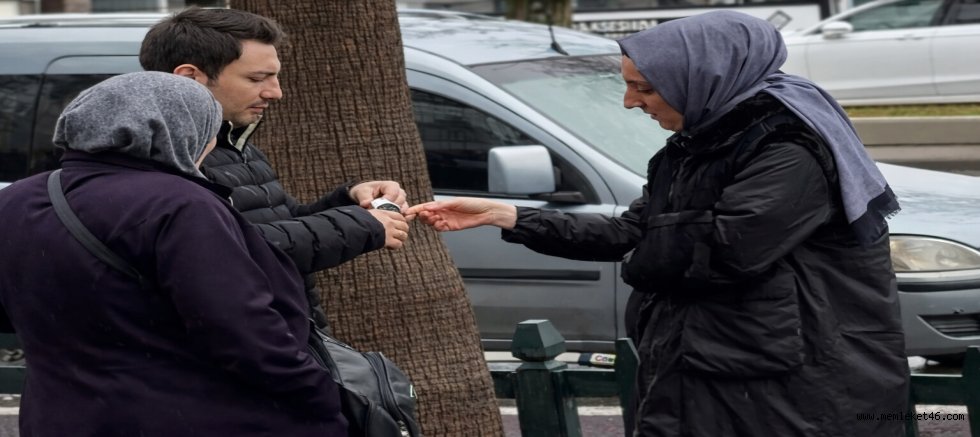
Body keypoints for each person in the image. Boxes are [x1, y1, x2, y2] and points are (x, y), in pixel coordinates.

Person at [409, 11, 907, 437]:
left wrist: (645, 257)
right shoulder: (693, 145)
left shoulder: (790, 148)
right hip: (708, 367)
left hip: (781, 387)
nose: (630, 102)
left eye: (644, 88)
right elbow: (633, 232)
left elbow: (725, 248)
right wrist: (508, 215)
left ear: (705, 79)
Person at [0, 72, 347, 435]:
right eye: (211, 128)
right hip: (188, 417)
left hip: (60, 416)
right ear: (181, 131)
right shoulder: (181, 205)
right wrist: (321, 395)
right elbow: (243, 330)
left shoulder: (15, 200)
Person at [139, 7, 411, 330]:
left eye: (274, 77)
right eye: (256, 79)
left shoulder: (233, 143)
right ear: (189, 77)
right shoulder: (163, 156)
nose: (275, 93)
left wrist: (351, 198)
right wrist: (361, 225)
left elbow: (280, 221)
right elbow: (231, 249)